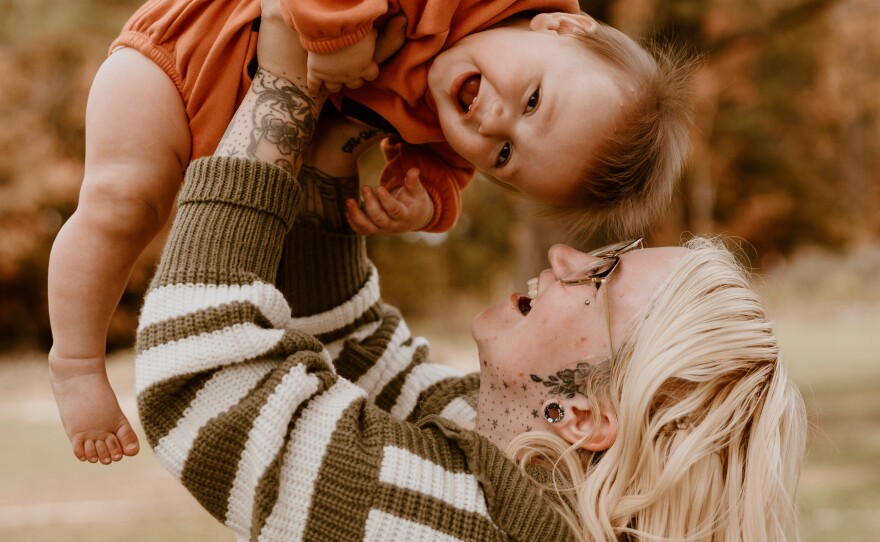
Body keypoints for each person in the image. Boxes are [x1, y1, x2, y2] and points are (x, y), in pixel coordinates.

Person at [133, 18, 806, 540]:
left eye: (599, 281)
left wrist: (283, 91)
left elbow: (202, 383)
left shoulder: (450, 524)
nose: (566, 260)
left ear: (586, 413)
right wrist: (343, 135)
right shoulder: (526, 458)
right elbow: (357, 353)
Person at [48, 0, 695, 465]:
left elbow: (442, 168)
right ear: (563, 27)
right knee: (124, 204)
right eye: (531, 101)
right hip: (185, 57)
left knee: (215, 241)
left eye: (503, 155)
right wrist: (338, 30)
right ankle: (76, 361)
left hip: (237, 134)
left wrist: (421, 202)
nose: (493, 121)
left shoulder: (453, 113)